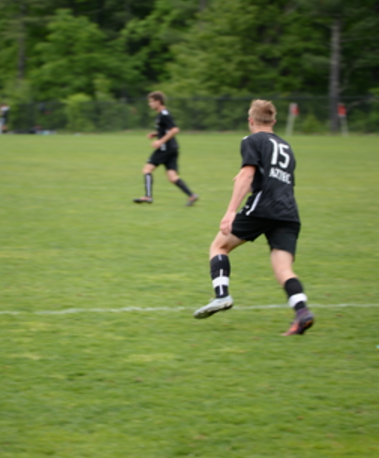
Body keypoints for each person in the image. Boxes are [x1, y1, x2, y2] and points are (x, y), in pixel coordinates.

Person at [193, 99, 314, 336]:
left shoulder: (252, 140)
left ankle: (222, 296)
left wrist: (231, 211)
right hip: (288, 212)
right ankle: (302, 312)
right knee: (283, 269)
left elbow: (247, 175)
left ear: (250, 120)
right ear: (273, 121)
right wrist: (249, 181)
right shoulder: (286, 146)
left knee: (219, 246)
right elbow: (274, 179)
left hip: (263, 207)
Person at [133, 91, 198, 206]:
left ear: (158, 101)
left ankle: (148, 196)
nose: (149, 104)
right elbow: (167, 130)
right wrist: (156, 134)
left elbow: (175, 130)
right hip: (172, 148)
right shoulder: (162, 114)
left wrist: (160, 141)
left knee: (147, 170)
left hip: (165, 148)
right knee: (172, 177)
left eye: (151, 101)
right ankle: (192, 195)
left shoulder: (164, 114)